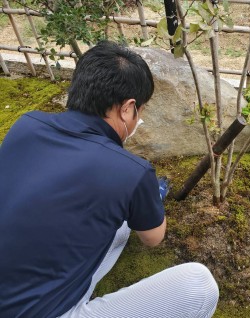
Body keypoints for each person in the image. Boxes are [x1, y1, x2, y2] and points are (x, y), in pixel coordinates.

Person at [0, 41, 219, 318]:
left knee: (121, 225)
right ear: (128, 109)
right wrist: (148, 196)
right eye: (142, 109)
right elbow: (153, 237)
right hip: (45, 312)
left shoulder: (27, 124)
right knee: (198, 285)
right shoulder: (131, 171)